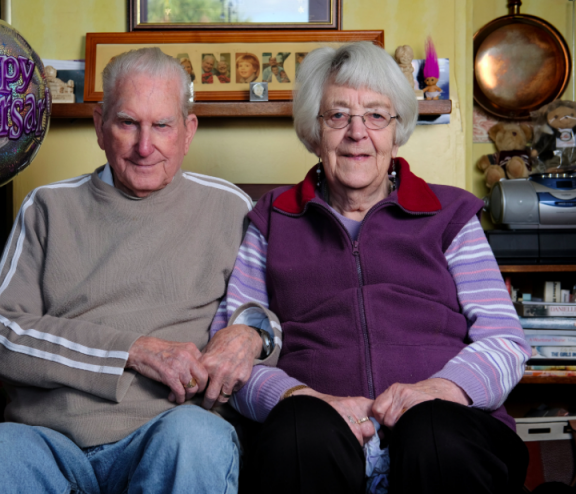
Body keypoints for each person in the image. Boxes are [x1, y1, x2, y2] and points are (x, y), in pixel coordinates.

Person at [214, 41, 531, 494]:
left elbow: (504, 339)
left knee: (435, 434)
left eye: (377, 115)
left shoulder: (451, 213)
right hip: (317, 430)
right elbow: (233, 347)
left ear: (397, 129)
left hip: (448, 426)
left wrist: (442, 388)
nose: (357, 132)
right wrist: (296, 396)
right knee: (302, 431)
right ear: (312, 130)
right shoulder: (273, 219)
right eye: (338, 115)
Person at [0, 47, 270, 494]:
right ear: (100, 127)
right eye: (128, 123)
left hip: (168, 433)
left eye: (162, 125)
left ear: (188, 131)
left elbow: (268, 319)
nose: (145, 147)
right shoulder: (47, 206)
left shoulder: (230, 207)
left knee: (198, 437)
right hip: (50, 441)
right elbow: (0, 335)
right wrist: (132, 351)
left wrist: (252, 334)